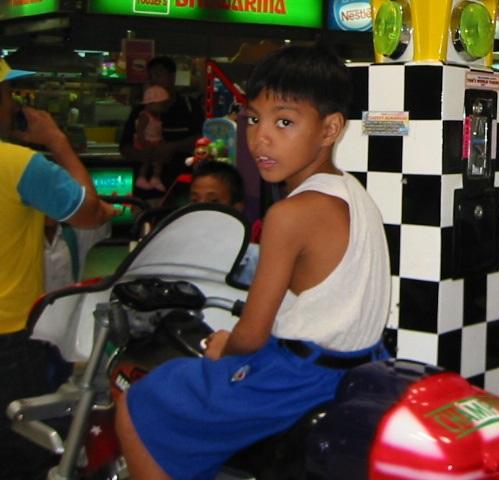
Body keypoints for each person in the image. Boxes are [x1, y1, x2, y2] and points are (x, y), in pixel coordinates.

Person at [115, 44, 390, 480]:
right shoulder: (354, 194)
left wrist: (223, 347)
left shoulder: (289, 214)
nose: (261, 137)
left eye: (284, 122)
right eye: (254, 118)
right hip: (359, 368)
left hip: (298, 379)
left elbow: (251, 334)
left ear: (330, 128)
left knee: (142, 400)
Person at [1, 58, 116, 479]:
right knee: (25, 454)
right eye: (8, 93)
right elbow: (90, 213)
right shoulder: (19, 165)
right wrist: (57, 141)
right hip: (11, 336)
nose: (16, 103)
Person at [120, 56, 203, 195]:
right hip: (145, 192)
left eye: (158, 75)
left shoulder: (190, 106)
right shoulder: (140, 111)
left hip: (182, 189)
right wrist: (144, 153)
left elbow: (201, 140)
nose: (153, 80)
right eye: (150, 77)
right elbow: (125, 147)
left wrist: (172, 147)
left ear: (172, 77)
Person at [189, 159, 260, 285]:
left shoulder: (254, 259)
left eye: (214, 201)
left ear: (236, 209)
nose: (201, 208)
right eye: (195, 200)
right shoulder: (180, 253)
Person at [133, 84, 171, 192]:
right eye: (161, 105)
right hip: (146, 143)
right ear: (151, 104)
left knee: (159, 161)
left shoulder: (157, 116)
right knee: (146, 161)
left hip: (156, 142)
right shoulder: (145, 116)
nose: (163, 107)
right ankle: (141, 178)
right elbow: (140, 132)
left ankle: (155, 178)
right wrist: (144, 143)